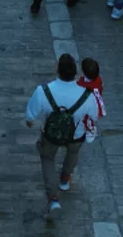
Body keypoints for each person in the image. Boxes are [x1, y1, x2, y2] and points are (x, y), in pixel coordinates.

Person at [25, 54, 101, 214]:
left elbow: (30, 114)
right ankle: (65, 178)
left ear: (57, 70)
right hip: (76, 134)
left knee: (47, 159)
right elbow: (94, 115)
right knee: (73, 152)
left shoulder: (43, 91)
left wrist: (30, 121)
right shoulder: (87, 95)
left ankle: (53, 198)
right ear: (76, 72)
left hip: (50, 135)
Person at [77, 57, 108, 141]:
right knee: (89, 119)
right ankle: (90, 129)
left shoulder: (82, 85)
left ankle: (90, 130)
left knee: (86, 120)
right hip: (93, 105)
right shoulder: (98, 80)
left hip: (86, 107)